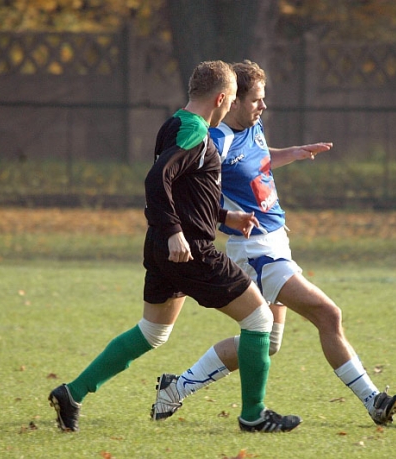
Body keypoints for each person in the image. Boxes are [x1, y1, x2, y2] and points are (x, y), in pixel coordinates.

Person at [48, 60, 302, 433]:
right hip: (189, 249)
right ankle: (254, 415)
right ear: (220, 98)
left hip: (164, 246)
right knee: (260, 319)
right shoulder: (196, 133)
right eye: (231, 100)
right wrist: (174, 231)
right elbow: (157, 179)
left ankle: (72, 393)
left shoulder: (176, 123)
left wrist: (223, 216)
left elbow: (183, 189)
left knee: (153, 333)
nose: (231, 108)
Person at [150, 60, 396, 426]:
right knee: (328, 314)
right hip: (255, 252)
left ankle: (176, 388)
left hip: (277, 243)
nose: (262, 106)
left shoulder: (254, 126)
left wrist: (294, 153)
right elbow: (191, 189)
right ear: (232, 101)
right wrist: (215, 219)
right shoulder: (215, 140)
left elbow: (259, 161)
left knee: (265, 342)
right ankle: (373, 400)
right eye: (255, 100)